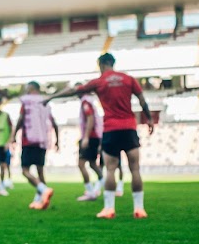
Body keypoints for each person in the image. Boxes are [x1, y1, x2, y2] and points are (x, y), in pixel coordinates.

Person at [45, 53, 154, 219]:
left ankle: (109, 209)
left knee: (110, 169)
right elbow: (142, 101)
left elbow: (74, 91)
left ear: (102, 65)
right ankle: (139, 209)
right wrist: (150, 120)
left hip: (111, 129)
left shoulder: (99, 81)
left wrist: (51, 97)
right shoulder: (129, 79)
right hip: (129, 127)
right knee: (135, 169)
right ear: (113, 63)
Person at [14, 81, 59, 210]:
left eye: (28, 88)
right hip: (43, 140)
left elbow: (21, 119)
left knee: (25, 170)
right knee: (40, 171)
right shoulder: (45, 103)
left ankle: (43, 190)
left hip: (29, 140)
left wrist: (13, 135)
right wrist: (57, 140)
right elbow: (53, 122)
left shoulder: (26, 101)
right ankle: (40, 200)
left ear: (32, 88)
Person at [76, 87, 104, 201]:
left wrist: (86, 137)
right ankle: (102, 181)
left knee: (81, 164)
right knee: (92, 163)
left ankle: (91, 191)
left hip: (91, 136)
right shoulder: (89, 100)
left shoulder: (85, 101)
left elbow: (90, 118)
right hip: (95, 136)